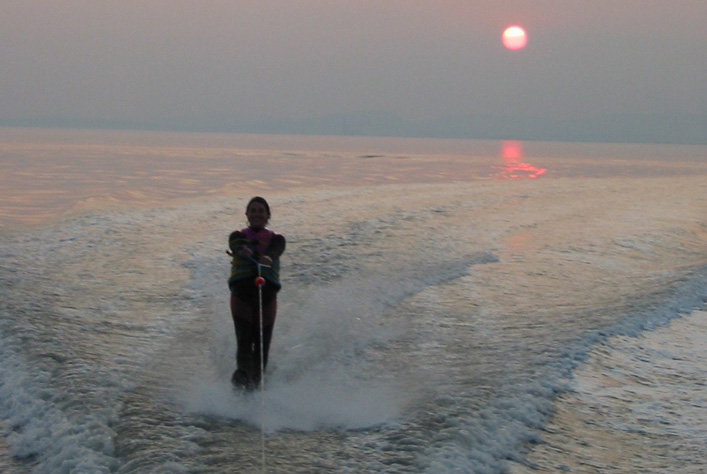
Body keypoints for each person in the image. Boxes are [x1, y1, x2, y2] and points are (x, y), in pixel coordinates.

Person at [227, 196, 286, 390]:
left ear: (268, 215)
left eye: (261, 210)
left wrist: (268, 256)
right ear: (247, 215)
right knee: (244, 340)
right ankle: (241, 379)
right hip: (241, 294)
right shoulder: (237, 236)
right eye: (253, 210)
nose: (257, 213)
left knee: (262, 346)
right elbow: (234, 244)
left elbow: (277, 249)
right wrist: (241, 249)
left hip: (266, 296)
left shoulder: (277, 240)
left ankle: (255, 386)